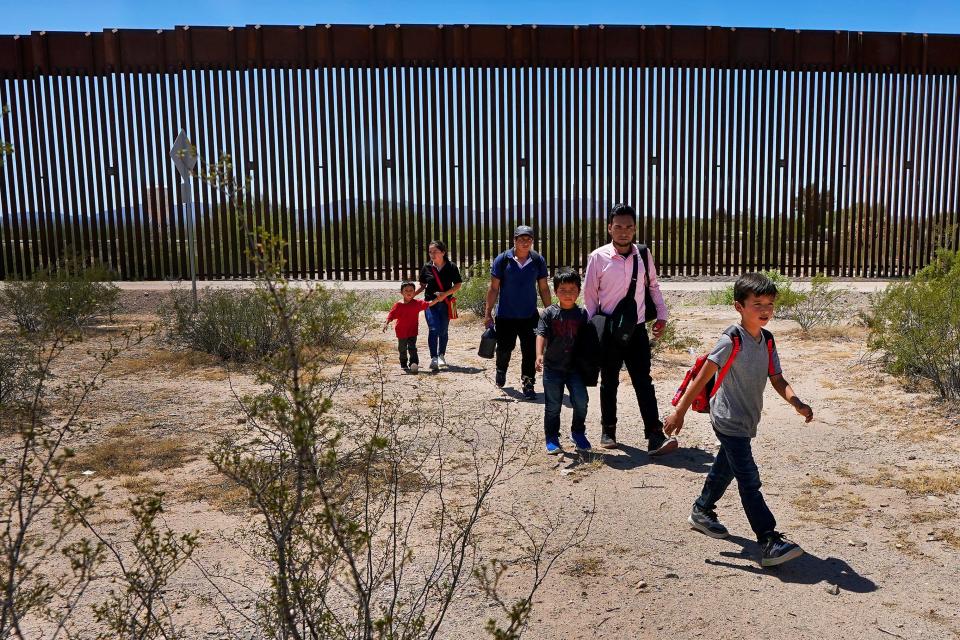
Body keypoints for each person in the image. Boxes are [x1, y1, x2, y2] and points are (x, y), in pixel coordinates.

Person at [664, 272, 814, 568]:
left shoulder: (767, 340)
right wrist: (679, 410)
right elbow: (703, 375)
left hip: (747, 418)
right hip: (727, 417)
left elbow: (777, 378)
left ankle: (702, 510)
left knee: (727, 466)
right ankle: (769, 540)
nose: (765, 310)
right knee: (748, 479)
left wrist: (795, 402)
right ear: (739, 306)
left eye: (769, 303)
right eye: (757, 303)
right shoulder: (731, 339)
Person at [582, 203, 676, 455]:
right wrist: (593, 332)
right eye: (619, 227)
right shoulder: (598, 257)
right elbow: (590, 297)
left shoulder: (643, 255)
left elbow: (653, 287)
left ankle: (654, 435)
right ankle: (608, 429)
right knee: (609, 380)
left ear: (635, 229)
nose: (624, 232)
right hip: (609, 331)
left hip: (636, 330)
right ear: (610, 228)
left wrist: (662, 316)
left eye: (629, 227)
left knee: (643, 381)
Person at [484, 225, 551, 399]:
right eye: (521, 239)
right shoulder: (503, 260)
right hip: (506, 315)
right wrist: (487, 312)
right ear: (514, 240)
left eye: (528, 239)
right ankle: (501, 368)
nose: (525, 242)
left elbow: (544, 289)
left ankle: (528, 383)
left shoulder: (537, 260)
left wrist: (550, 312)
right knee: (505, 348)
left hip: (529, 316)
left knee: (530, 350)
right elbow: (493, 288)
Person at [535, 268, 591, 454]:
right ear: (555, 291)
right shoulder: (549, 313)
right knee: (553, 405)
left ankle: (578, 432)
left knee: (581, 401)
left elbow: (591, 340)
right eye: (563, 290)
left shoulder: (583, 314)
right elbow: (541, 334)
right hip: (553, 368)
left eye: (572, 290)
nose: (568, 294)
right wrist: (539, 354)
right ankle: (551, 437)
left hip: (575, 368)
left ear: (579, 291)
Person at [414, 240, 462, 372]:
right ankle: (433, 358)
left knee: (443, 330)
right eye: (430, 252)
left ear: (443, 252)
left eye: (435, 251)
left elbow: (458, 285)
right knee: (433, 329)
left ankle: (441, 355)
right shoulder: (427, 267)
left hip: (446, 304)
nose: (432, 254)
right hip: (430, 304)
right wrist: (411, 295)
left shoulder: (451, 267)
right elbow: (422, 285)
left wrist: (444, 294)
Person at [382, 281, 435, 374]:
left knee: (412, 347)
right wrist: (386, 323)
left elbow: (429, 304)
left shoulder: (417, 303)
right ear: (401, 292)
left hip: (412, 331)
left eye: (411, 290)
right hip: (401, 331)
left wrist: (438, 299)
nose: (409, 292)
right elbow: (391, 315)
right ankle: (403, 364)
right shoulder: (398, 305)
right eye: (406, 290)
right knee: (402, 348)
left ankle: (414, 363)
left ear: (414, 292)